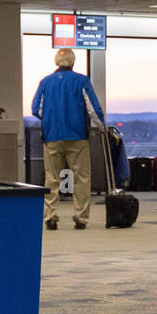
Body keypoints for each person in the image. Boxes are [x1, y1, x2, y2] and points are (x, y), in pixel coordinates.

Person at [30, 48, 104, 230]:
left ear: (57, 61)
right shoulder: (81, 81)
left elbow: (35, 109)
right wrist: (102, 126)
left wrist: (49, 120)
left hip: (52, 136)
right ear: (72, 62)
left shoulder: (45, 82)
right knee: (82, 178)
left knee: (52, 178)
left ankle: (50, 216)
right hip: (77, 136)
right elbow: (93, 108)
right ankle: (80, 217)